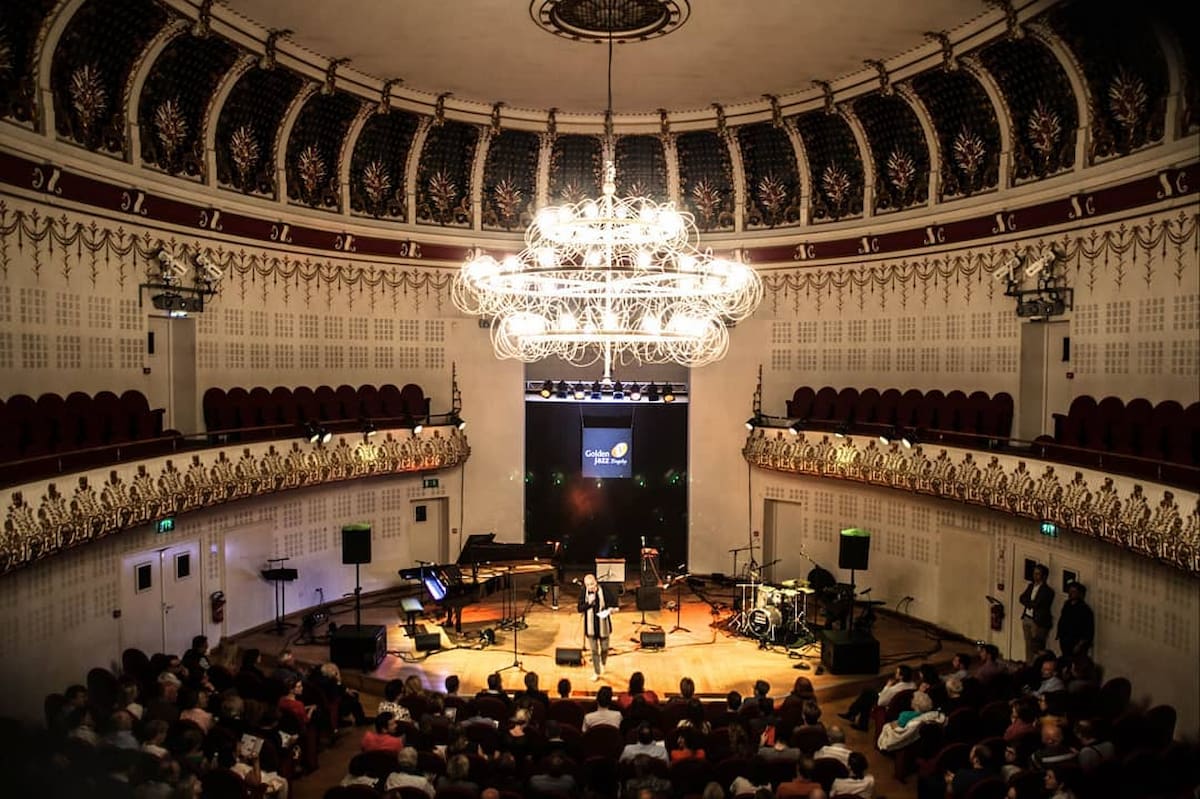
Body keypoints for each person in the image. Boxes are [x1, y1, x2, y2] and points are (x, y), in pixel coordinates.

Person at [577, 573, 617, 679]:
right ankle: (596, 671)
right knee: (594, 651)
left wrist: (612, 609)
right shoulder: (583, 593)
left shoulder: (604, 590)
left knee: (605, 648)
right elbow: (579, 608)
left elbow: (613, 603)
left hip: (603, 625)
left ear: (596, 582)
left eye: (592, 584)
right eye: (588, 585)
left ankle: (603, 663)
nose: (591, 587)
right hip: (591, 627)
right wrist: (589, 603)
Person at [1018, 564, 1054, 663]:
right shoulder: (1030, 586)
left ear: (1044, 576)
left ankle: (1037, 666)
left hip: (1037, 621)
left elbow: (1037, 604)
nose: (1035, 576)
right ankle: (1029, 664)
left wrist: (1029, 603)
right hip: (1027, 618)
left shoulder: (1048, 591)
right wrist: (1030, 603)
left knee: (1037, 646)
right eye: (1034, 573)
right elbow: (1021, 598)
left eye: (1038, 574)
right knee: (1028, 644)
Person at [1056, 582, 1094, 660]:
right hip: (1065, 639)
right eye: (1069, 591)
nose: (1070, 594)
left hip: (1076, 641)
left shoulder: (1085, 610)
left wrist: (1080, 644)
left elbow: (1088, 630)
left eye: (1073, 592)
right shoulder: (1067, 604)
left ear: (1080, 594)